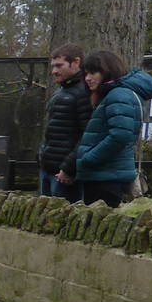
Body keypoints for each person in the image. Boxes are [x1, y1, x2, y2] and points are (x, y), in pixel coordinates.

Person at [67, 49, 152, 208]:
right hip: (104, 174)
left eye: (93, 73)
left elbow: (120, 135)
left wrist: (89, 158)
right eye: (86, 73)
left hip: (106, 177)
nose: (87, 78)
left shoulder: (118, 95)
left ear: (108, 72)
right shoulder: (113, 95)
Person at [40, 43, 89, 201]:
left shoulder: (83, 93)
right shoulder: (62, 91)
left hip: (65, 175)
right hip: (48, 169)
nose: (54, 71)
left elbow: (87, 135)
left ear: (76, 62)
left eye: (59, 66)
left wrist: (69, 168)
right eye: (53, 66)